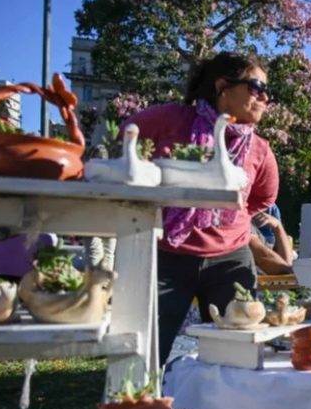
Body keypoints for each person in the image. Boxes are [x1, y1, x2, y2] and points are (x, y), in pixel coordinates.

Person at [124, 51, 279, 366]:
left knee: (238, 354)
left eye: (267, 91)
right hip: (166, 255)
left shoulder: (260, 149)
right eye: (255, 87)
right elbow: (124, 150)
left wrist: (224, 217)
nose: (264, 98)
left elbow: (262, 199)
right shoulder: (166, 120)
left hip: (230, 260)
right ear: (223, 86)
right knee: (145, 351)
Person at [250, 210, 293, 275]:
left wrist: (278, 227)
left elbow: (286, 263)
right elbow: (263, 259)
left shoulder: (271, 209)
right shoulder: (237, 217)